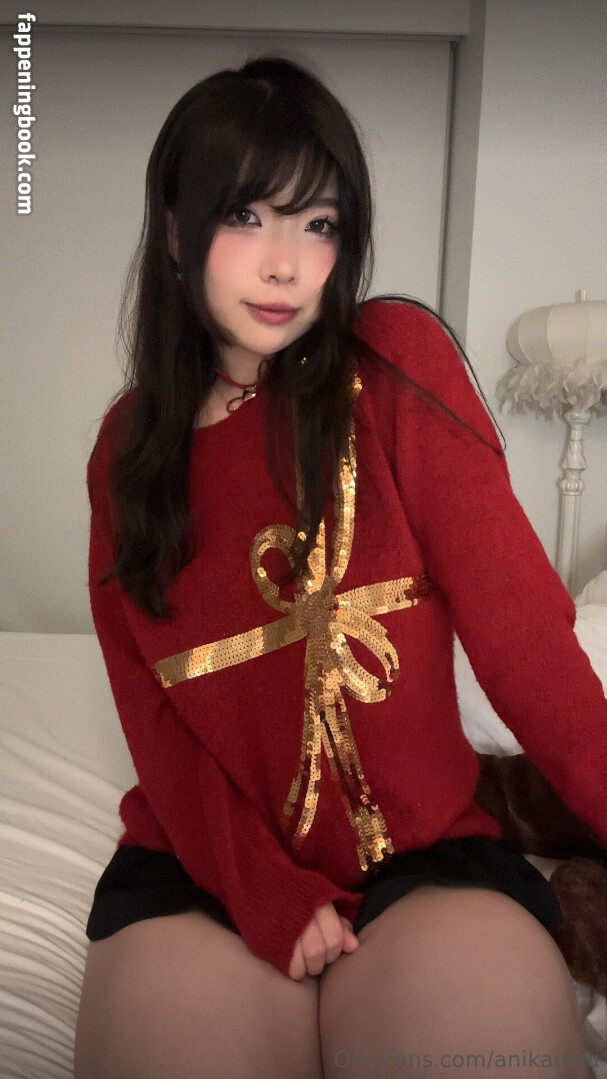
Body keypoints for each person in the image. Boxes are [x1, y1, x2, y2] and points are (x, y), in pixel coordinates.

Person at [74, 55, 604, 1079]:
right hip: (205, 873)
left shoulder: (394, 362)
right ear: (176, 231)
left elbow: (527, 648)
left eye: (317, 223)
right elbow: (153, 711)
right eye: (248, 217)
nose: (286, 264)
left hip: (426, 863)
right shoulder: (126, 451)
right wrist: (264, 891)